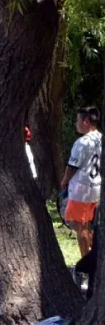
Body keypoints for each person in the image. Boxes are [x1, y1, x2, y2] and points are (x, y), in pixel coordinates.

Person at [61, 107, 102, 257]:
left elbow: (72, 166)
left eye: (77, 120)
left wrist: (64, 181)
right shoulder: (100, 138)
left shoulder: (82, 142)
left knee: (79, 226)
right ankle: (94, 254)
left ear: (86, 121)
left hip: (81, 189)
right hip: (96, 186)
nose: (75, 123)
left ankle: (87, 261)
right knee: (87, 224)